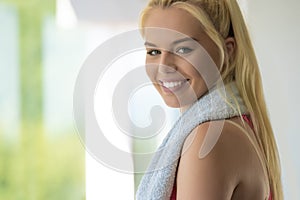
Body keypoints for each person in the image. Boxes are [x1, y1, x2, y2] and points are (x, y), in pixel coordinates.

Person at [136, 0, 283, 199]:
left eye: (182, 49)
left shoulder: (209, 139)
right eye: (154, 51)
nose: (163, 66)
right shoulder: (236, 126)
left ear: (228, 50)